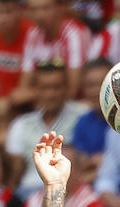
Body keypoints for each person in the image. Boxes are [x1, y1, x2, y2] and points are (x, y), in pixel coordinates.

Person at [6, 61, 88, 199]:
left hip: (69, 193)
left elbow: (87, 162)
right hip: (28, 194)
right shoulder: (21, 124)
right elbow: (14, 174)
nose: (50, 94)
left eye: (56, 87)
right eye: (44, 88)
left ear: (67, 88)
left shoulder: (82, 116)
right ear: (36, 90)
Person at [19, 0, 87, 99]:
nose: (39, 15)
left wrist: (32, 94)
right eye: (34, 10)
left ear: (60, 8)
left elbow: (73, 89)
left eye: (45, 8)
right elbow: (24, 85)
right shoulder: (33, 34)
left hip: (75, 102)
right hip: (43, 100)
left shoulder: (73, 34)